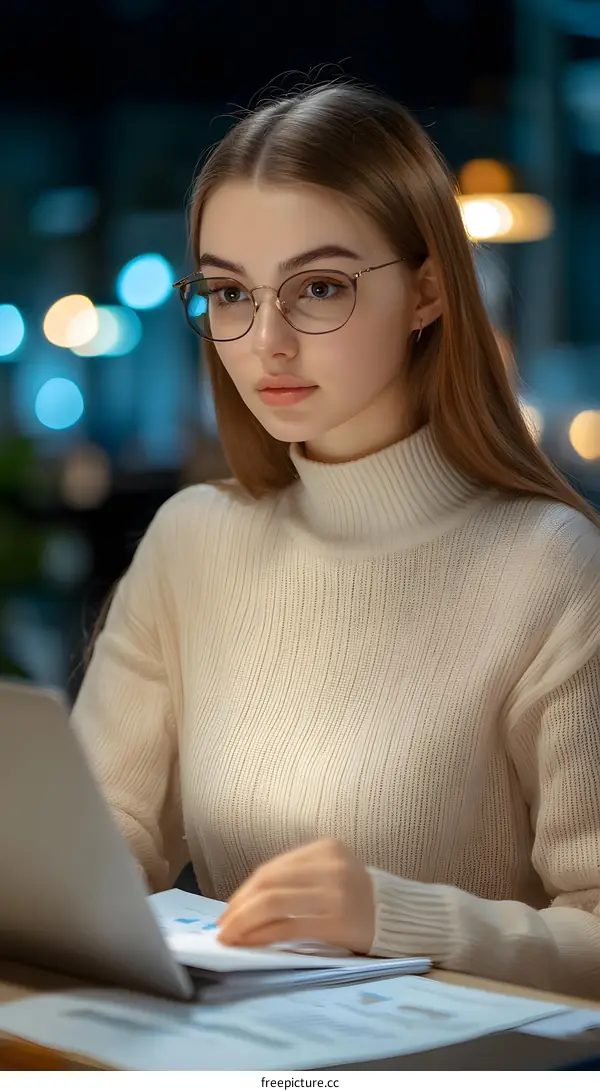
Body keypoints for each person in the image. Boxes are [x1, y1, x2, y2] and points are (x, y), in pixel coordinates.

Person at [73, 80, 600, 999]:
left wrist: (394, 914)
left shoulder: (547, 565)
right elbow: (101, 834)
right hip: (242, 1050)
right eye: (230, 292)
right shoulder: (193, 542)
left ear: (429, 288)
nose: (266, 341)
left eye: (318, 287)